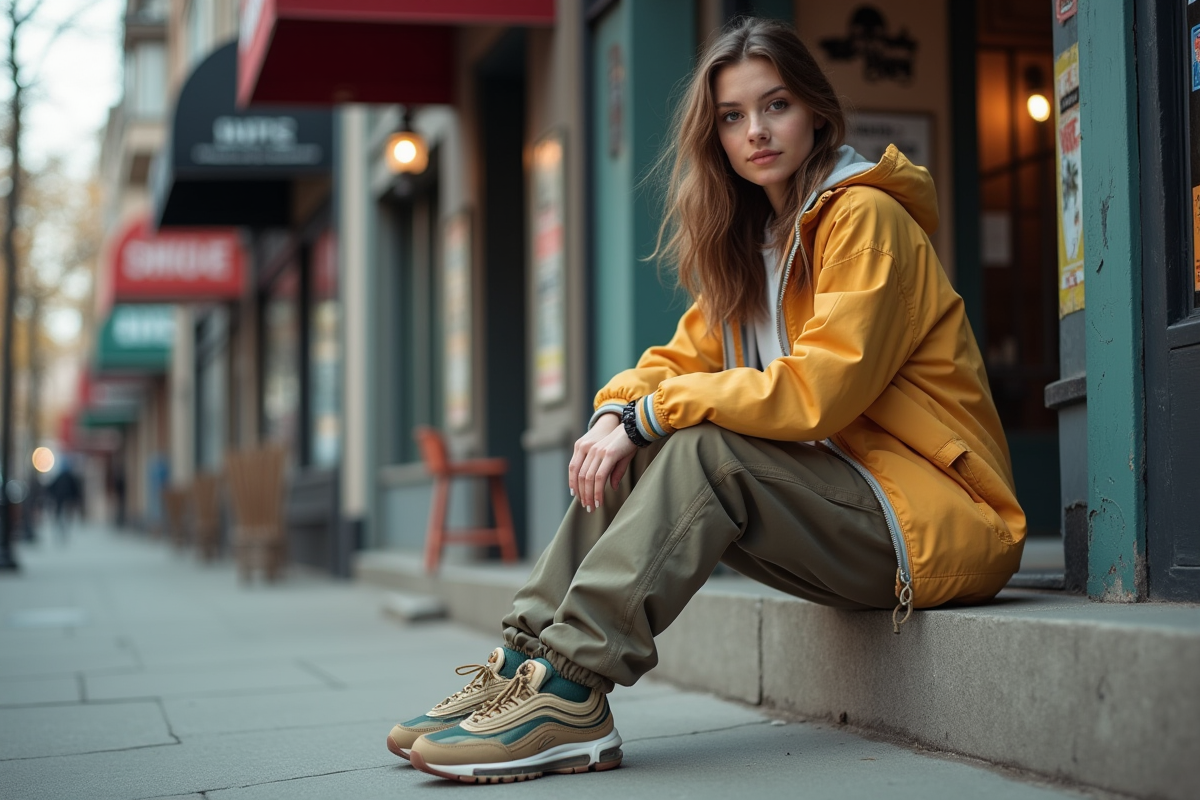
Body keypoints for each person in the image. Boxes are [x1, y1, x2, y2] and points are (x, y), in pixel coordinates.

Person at [389, 17, 1026, 784]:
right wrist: (612, 415)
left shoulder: (865, 219)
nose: (755, 131)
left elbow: (821, 393)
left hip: (932, 518)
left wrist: (649, 415)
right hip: (829, 510)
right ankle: (523, 664)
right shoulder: (756, 243)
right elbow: (672, 364)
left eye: (776, 105)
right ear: (715, 135)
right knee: (645, 437)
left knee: (699, 443)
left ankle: (571, 690)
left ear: (817, 112)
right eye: (732, 116)